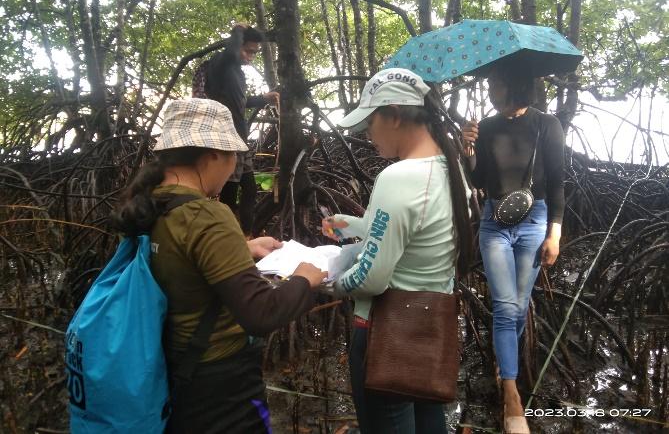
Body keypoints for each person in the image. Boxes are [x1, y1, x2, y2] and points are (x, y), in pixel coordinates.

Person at [110, 98, 326, 433]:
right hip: (223, 384)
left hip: (174, 370)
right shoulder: (206, 215)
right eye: (233, 158)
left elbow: (178, 259)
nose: (233, 169)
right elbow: (261, 313)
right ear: (213, 154)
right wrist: (304, 278)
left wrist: (241, 248)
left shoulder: (153, 204)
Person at [321, 69, 473, 434]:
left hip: (386, 333)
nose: (367, 134)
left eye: (371, 121)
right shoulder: (452, 170)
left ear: (395, 115)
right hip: (429, 329)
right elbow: (418, 234)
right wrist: (351, 225)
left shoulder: (398, 178)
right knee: (428, 425)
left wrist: (326, 283)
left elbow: (370, 279)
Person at [462, 62, 565, 434]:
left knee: (518, 307)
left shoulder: (546, 125)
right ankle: (511, 393)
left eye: (497, 85)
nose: (491, 91)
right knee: (506, 307)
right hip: (494, 223)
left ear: (515, 85)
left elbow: (557, 183)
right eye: (490, 85)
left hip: (534, 221)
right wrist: (468, 148)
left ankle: (504, 363)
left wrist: (554, 233)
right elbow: (477, 178)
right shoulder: (487, 127)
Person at [195, 23, 280, 236]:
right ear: (237, 46)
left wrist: (263, 98)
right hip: (225, 139)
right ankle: (228, 238)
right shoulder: (222, 64)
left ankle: (246, 235)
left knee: (250, 189)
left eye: (255, 53)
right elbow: (230, 52)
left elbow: (239, 103)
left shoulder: (238, 75)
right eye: (248, 51)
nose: (251, 57)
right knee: (229, 193)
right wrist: (238, 31)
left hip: (240, 140)